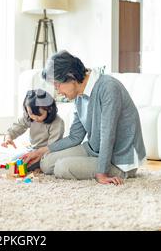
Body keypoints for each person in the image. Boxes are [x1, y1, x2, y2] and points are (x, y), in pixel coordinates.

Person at [23, 50, 146, 185]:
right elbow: (75, 136)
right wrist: (41, 151)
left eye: (58, 85)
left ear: (71, 76)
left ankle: (118, 172)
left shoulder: (108, 87)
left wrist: (102, 173)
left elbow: (108, 135)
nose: (57, 91)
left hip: (120, 160)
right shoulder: (79, 96)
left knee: (62, 167)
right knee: (46, 162)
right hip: (93, 149)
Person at [1, 89, 64, 171]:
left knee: (36, 165)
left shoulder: (57, 123)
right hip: (33, 150)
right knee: (15, 161)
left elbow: (52, 146)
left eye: (39, 115)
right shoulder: (28, 116)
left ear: (49, 109)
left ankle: (39, 166)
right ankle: (37, 166)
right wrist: (8, 137)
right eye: (31, 113)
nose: (34, 117)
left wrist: (38, 155)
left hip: (48, 152)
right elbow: (17, 127)